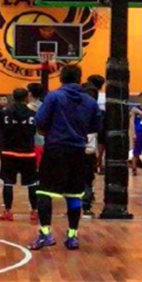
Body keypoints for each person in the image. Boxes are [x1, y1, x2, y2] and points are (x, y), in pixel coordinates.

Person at [29, 65, 102, 251]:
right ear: (79, 78)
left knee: (44, 192)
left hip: (55, 149)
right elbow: (96, 126)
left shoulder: (54, 96)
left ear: (61, 78)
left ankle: (46, 233)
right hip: (78, 151)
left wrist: (52, 131)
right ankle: (72, 236)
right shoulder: (90, 101)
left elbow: (40, 121)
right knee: (74, 194)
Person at [0, 88, 39, 222]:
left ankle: (8, 212)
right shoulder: (33, 114)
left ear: (13, 97)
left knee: (8, 183)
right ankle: (34, 211)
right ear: (27, 98)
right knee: (32, 183)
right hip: (27, 153)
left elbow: (1, 131)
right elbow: (35, 131)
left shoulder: (5, 113)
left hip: (9, 152)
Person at [81, 83, 101, 218]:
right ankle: (85, 206)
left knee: (81, 180)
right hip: (85, 150)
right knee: (86, 180)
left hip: (81, 149)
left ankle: (81, 206)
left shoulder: (74, 109)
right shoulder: (96, 112)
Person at [87, 75, 106, 173]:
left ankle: (98, 163)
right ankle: (98, 163)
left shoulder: (89, 95)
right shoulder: (104, 96)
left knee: (97, 143)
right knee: (100, 143)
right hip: (99, 121)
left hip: (94, 121)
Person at [27, 83, 46, 169]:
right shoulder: (45, 106)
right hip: (45, 139)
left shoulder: (27, 108)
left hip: (33, 141)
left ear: (30, 93)